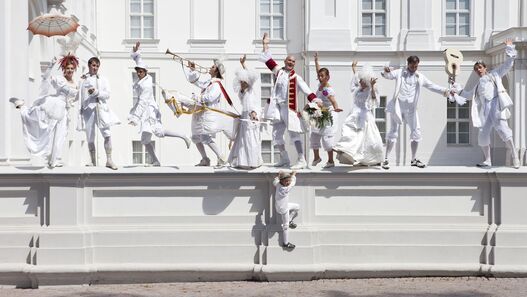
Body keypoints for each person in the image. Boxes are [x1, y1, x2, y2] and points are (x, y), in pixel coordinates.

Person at [455, 38, 520, 168]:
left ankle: (515, 156)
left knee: (504, 132)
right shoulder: (478, 85)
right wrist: (456, 90)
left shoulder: (495, 74)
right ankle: (488, 160)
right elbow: (468, 95)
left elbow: (508, 64)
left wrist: (509, 47)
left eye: (480, 67)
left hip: (496, 106)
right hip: (485, 111)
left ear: (485, 68)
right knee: (483, 135)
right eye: (476, 69)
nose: (478, 70)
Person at [381, 55, 452, 169]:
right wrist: (386, 70)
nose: (414, 68)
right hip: (397, 107)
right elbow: (387, 75)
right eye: (412, 65)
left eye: (416, 66)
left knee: (416, 132)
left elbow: (432, 86)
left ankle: (413, 159)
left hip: (411, 110)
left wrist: (445, 91)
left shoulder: (420, 77)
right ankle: (386, 159)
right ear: (408, 64)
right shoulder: (399, 72)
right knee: (393, 132)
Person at [10, 54, 79, 168]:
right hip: (55, 106)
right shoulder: (59, 79)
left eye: (72, 68)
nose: (70, 70)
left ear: (74, 69)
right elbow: (46, 78)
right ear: (64, 69)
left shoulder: (75, 83)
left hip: (64, 110)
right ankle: (22, 107)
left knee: (61, 134)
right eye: (68, 68)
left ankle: (54, 159)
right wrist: (50, 66)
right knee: (43, 128)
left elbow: (75, 98)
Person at [260, 33, 318, 169]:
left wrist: (315, 99)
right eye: (289, 60)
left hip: (289, 108)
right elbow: (268, 60)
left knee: (293, 134)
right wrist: (265, 44)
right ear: (285, 61)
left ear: (294, 63)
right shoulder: (279, 72)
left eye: (293, 61)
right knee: (276, 134)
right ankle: (284, 158)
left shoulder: (296, 77)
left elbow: (306, 89)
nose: (291, 62)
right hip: (277, 108)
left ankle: (301, 159)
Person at [129, 42, 191, 166]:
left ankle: (183, 136)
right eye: (138, 71)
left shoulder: (146, 85)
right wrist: (137, 52)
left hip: (149, 112)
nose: (139, 73)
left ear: (145, 72)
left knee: (158, 132)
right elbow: (139, 61)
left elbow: (142, 102)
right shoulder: (143, 79)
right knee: (145, 139)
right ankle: (156, 161)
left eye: (141, 72)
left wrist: (135, 118)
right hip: (148, 111)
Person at [183, 56, 235, 168]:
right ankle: (205, 159)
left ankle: (222, 158)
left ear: (216, 71)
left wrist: (197, 98)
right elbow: (196, 82)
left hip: (207, 114)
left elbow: (210, 98)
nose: (210, 68)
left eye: (212, 67)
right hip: (200, 113)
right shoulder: (209, 82)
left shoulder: (216, 84)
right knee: (195, 137)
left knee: (205, 137)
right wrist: (193, 70)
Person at [333, 62, 384, 166]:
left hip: (364, 115)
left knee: (367, 138)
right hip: (354, 114)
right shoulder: (358, 89)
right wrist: (354, 69)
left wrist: (373, 86)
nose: (359, 81)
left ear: (366, 81)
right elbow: (356, 79)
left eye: (362, 80)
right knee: (349, 131)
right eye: (360, 79)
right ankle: (344, 148)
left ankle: (369, 158)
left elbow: (375, 99)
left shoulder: (370, 90)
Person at [78, 57, 120, 170]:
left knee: (107, 133)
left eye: (97, 66)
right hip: (88, 110)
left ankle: (109, 160)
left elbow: (107, 94)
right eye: (93, 65)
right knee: (90, 136)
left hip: (101, 109)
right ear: (89, 65)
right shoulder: (83, 79)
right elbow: (80, 95)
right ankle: (93, 161)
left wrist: (96, 92)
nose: (95, 68)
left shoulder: (103, 79)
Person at [227, 55, 263, 169]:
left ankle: (251, 162)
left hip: (251, 117)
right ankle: (241, 161)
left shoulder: (251, 91)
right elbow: (244, 101)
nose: (242, 83)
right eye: (241, 82)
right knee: (242, 140)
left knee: (250, 140)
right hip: (244, 117)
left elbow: (253, 104)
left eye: (244, 82)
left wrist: (244, 65)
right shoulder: (242, 93)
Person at [308, 53, 343, 168]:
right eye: (319, 76)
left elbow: (333, 101)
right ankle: (317, 157)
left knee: (327, 138)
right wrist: (316, 61)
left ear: (328, 77)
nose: (320, 77)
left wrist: (336, 107)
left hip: (328, 115)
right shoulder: (320, 84)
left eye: (323, 76)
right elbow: (319, 70)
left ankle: (331, 161)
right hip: (320, 113)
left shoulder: (326, 90)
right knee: (314, 135)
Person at [273, 170, 299, 250]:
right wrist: (293, 174)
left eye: (288, 181)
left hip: (282, 206)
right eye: (286, 181)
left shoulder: (277, 184)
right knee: (285, 226)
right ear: (282, 181)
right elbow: (293, 183)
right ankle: (286, 243)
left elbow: (275, 180)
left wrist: (278, 174)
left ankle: (290, 220)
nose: (288, 182)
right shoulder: (286, 188)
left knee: (297, 207)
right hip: (283, 209)